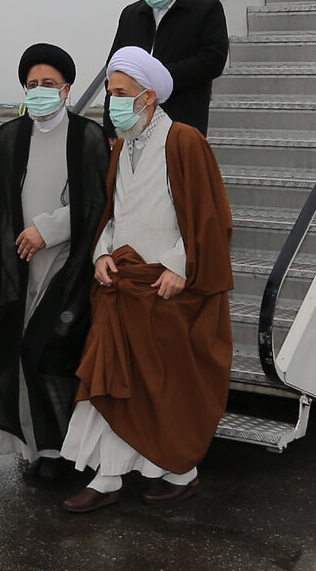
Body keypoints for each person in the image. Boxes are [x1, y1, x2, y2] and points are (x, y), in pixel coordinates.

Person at [61, 47, 233, 513]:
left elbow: (207, 216)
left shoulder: (184, 141)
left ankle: (181, 472)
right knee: (112, 380)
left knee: (163, 389)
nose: (112, 103)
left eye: (120, 94)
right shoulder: (121, 145)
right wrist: (101, 254)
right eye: (111, 94)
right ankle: (109, 476)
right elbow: (114, 216)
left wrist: (181, 267)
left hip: (166, 289)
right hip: (123, 287)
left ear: (149, 97)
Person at [0, 44, 109, 481]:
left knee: (51, 354)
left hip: (65, 268)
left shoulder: (86, 136)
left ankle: (67, 452)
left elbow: (99, 200)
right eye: (32, 85)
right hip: (16, 270)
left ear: (67, 89)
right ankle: (38, 450)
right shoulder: (11, 136)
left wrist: (49, 228)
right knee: (15, 354)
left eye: (49, 84)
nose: (41, 91)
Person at [103, 0, 229, 136]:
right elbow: (113, 69)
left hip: (181, 120)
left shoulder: (206, 9)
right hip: (133, 122)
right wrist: (110, 127)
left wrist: (158, 77)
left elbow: (213, 61)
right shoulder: (131, 14)